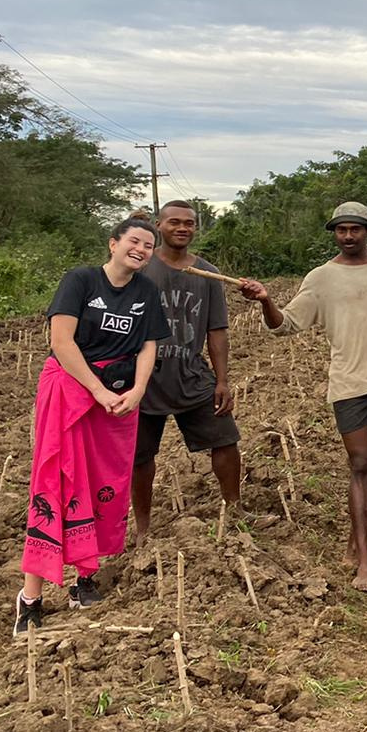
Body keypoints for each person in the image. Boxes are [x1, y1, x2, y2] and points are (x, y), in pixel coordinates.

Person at [239, 201, 367, 592]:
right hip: (349, 384)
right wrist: (266, 301)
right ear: (335, 234)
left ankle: (354, 547)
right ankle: (364, 561)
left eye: (355, 229)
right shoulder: (321, 277)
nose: (348, 236)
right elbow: (286, 324)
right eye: (341, 230)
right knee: (360, 462)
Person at [15, 218, 171, 634]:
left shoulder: (146, 291)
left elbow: (148, 345)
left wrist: (138, 390)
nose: (141, 249)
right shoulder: (80, 280)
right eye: (134, 241)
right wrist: (96, 390)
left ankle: (84, 579)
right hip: (71, 389)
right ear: (113, 243)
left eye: (148, 245)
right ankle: (30, 598)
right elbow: (61, 342)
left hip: (119, 399)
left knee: (107, 482)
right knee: (55, 482)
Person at [131, 201, 239, 547]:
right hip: (143, 379)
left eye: (189, 223)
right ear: (159, 226)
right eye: (174, 222)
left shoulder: (207, 274)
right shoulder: (141, 269)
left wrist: (222, 380)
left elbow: (217, 330)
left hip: (191, 373)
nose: (182, 228)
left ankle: (234, 513)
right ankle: (143, 527)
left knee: (225, 439)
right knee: (140, 455)